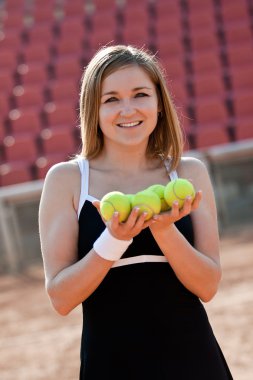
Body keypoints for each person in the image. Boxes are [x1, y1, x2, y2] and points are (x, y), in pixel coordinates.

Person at [39, 45, 233, 379]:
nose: (127, 109)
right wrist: (114, 240)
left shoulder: (188, 173)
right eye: (111, 99)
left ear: (159, 104)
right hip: (110, 365)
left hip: (195, 362)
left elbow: (208, 286)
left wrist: (163, 229)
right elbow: (61, 298)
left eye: (140, 94)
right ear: (93, 110)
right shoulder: (67, 180)